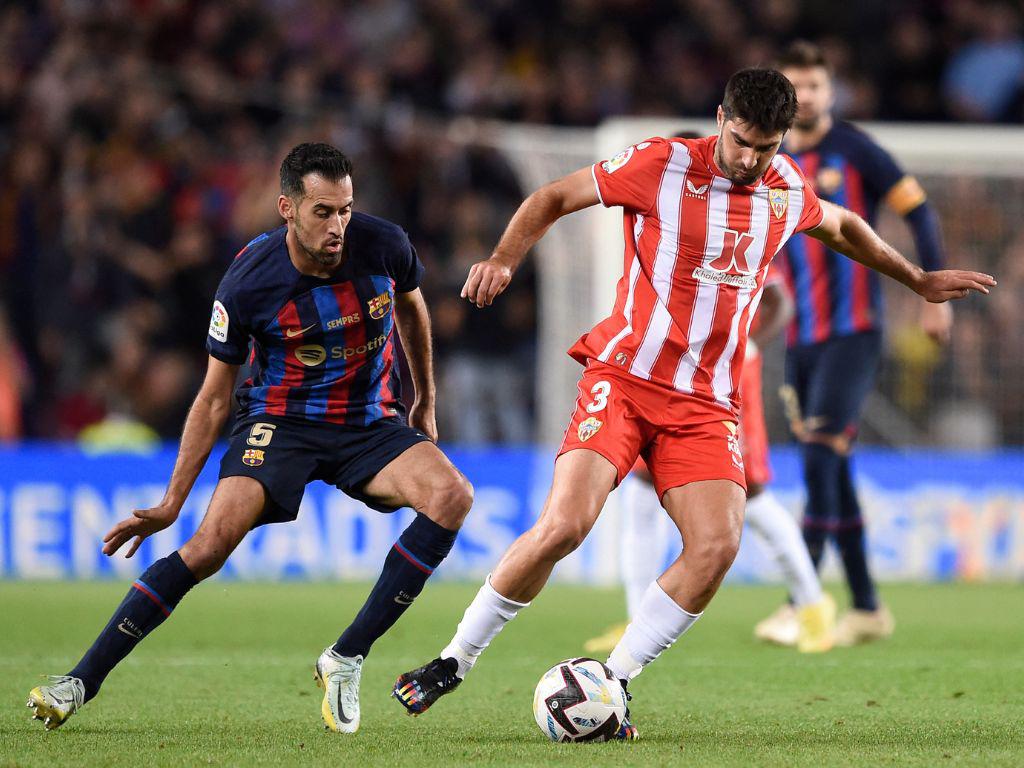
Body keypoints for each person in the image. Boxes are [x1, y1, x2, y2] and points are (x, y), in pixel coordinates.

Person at [391, 68, 993, 739]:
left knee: (717, 546)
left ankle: (613, 682)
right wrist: (504, 258)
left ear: (782, 140)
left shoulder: (786, 188)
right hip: (623, 379)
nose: (749, 158)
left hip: (706, 404)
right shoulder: (662, 164)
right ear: (720, 119)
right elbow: (554, 195)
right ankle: (455, 658)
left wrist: (917, 279)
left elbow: (847, 226)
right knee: (565, 525)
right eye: (740, 141)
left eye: (765, 147)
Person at [26, 143, 473, 734]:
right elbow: (213, 397)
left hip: (368, 420)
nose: (338, 226)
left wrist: (424, 399)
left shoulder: (384, 243)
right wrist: (170, 503)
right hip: (280, 423)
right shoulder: (248, 282)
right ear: (287, 207)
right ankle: (79, 680)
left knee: (454, 496)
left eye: (344, 210)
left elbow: (413, 309)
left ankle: (345, 658)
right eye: (322, 212)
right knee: (209, 546)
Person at [757, 41, 952, 647]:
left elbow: (917, 211)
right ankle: (867, 606)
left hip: (855, 331)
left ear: (829, 91)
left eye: (815, 86)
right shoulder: (771, 158)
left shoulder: (855, 150)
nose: (807, 97)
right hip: (799, 336)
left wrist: (930, 291)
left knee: (818, 454)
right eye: (797, 87)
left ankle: (802, 602)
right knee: (830, 465)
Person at [585, 269, 835, 656]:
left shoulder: (742, 218)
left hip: (722, 373)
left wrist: (750, 345)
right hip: (662, 371)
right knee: (640, 487)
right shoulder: (668, 218)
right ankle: (637, 619)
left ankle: (812, 606)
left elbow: (779, 300)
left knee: (750, 492)